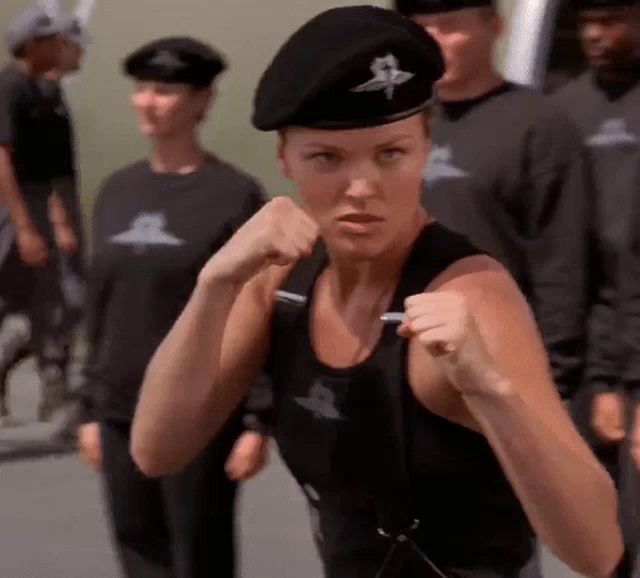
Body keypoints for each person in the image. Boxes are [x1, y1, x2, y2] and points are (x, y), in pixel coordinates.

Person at [129, 7, 622, 578]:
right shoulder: (281, 283)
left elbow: (597, 552)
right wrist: (214, 286)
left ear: (424, 147)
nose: (362, 189)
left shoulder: (470, 295)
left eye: (391, 153)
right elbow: (156, 450)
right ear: (284, 158)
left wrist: (491, 388)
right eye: (327, 158)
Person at [73, 37, 269, 578]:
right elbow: (101, 305)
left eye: (165, 90)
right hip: (119, 411)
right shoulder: (117, 191)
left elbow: (253, 311)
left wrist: (257, 419)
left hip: (198, 414)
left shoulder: (233, 195)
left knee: (198, 558)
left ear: (202, 102)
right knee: (137, 554)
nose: (148, 101)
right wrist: (88, 408)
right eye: (141, 89)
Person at [394, 0, 590, 405]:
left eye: (449, 26)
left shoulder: (539, 125)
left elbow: (562, 263)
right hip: (398, 353)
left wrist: (552, 376)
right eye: (421, 29)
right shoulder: (395, 123)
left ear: (494, 27)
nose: (433, 42)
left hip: (495, 362)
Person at [553, 1, 640, 574]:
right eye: (586, 23)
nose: (595, 35)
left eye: (611, 20)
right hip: (591, 357)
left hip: (632, 361)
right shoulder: (561, 113)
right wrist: (599, 379)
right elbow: (561, 259)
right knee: (602, 544)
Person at [0, 5, 77, 423]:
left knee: (50, 301)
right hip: (9, 212)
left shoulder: (38, 90)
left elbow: (46, 171)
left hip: (28, 209)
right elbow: (2, 160)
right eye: (50, 40)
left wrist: (57, 221)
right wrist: (25, 227)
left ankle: (55, 390)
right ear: (31, 46)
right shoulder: (10, 87)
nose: (59, 46)